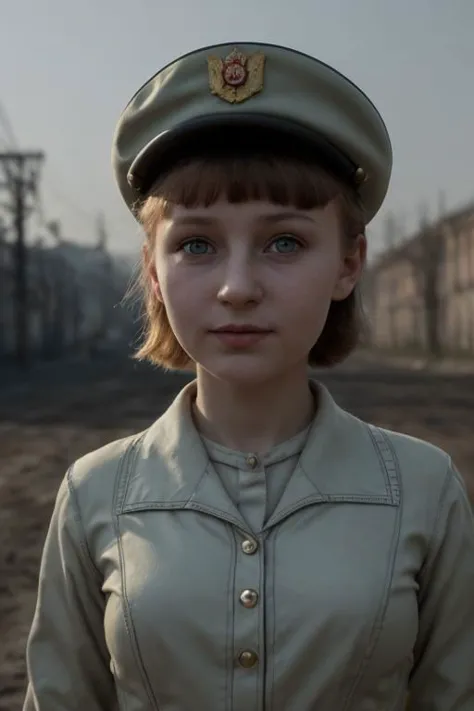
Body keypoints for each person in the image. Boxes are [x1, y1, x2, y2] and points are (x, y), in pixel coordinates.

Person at [23, 42, 474, 711]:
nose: (237, 288)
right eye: (196, 244)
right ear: (153, 268)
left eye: (284, 242)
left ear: (350, 264)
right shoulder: (93, 495)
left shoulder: (425, 490)